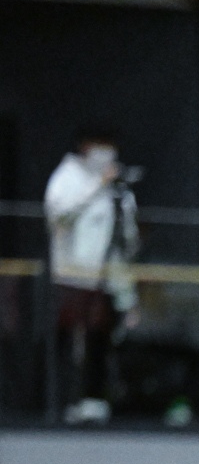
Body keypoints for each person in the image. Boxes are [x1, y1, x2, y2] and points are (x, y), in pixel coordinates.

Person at [44, 128, 138, 426]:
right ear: (85, 147)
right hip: (71, 276)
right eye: (100, 145)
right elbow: (59, 215)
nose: (105, 153)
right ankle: (59, 401)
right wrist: (98, 186)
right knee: (67, 341)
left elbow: (128, 235)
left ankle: (93, 400)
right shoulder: (67, 176)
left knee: (99, 340)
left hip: (105, 277)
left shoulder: (117, 186)